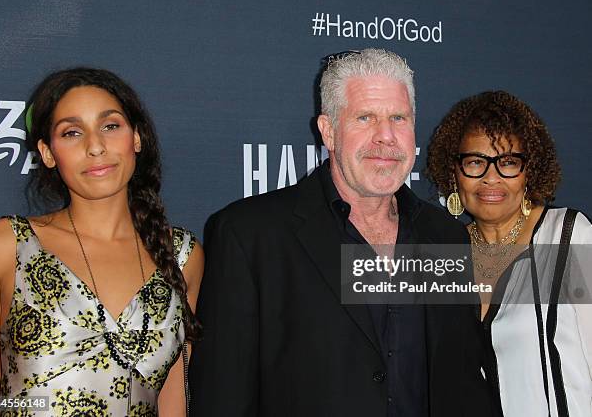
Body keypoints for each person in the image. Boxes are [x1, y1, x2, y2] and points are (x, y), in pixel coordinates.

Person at [190, 49, 492, 416]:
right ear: (328, 131)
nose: (386, 137)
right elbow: (223, 398)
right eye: (365, 118)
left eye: (399, 118)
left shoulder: (445, 235)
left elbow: (463, 383)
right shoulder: (250, 236)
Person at [0, 68, 203, 416]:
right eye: (71, 133)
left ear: (137, 138)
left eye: (110, 126)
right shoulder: (4, 246)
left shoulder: (181, 255)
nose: (95, 146)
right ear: (48, 152)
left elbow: (174, 400)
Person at [426, 90, 592, 416]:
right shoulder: (447, 260)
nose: (491, 178)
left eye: (508, 162)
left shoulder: (569, 237)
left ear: (529, 172)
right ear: (453, 174)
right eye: (475, 162)